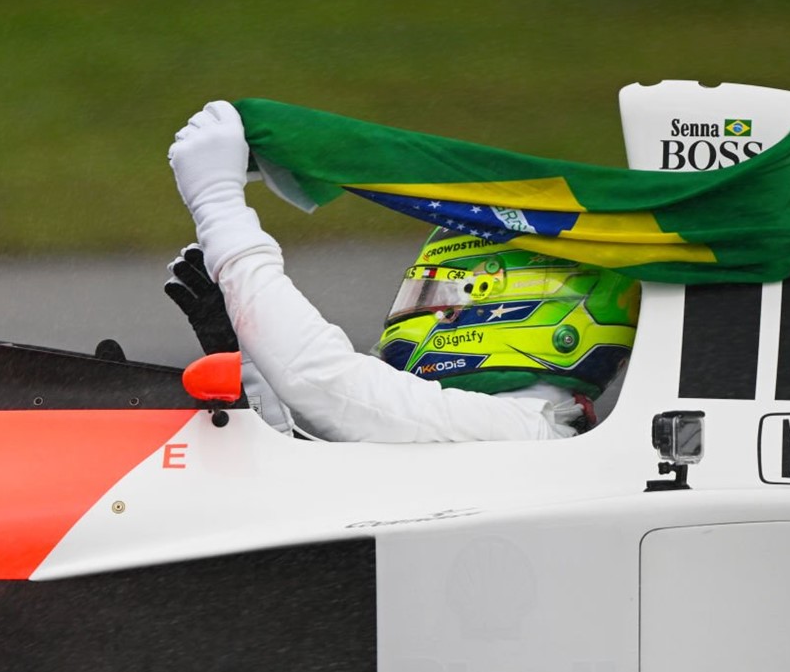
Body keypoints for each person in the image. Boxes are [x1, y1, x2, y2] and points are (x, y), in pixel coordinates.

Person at [164, 100, 639, 442]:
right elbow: (309, 486)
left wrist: (217, 204)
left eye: (445, 297)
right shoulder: (524, 434)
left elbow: (325, 384)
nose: (424, 312)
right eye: (421, 294)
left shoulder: (525, 429)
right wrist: (252, 362)